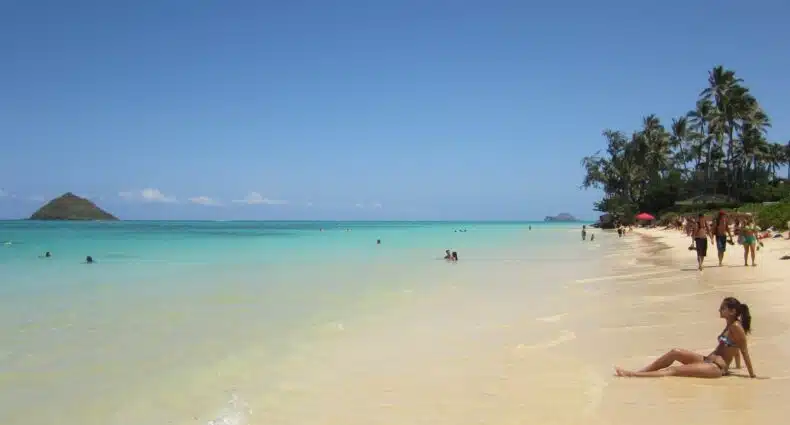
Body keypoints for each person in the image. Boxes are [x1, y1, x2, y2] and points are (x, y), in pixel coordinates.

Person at [615, 297, 755, 378]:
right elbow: (735, 348)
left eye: (722, 308)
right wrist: (737, 367)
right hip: (707, 360)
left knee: (673, 371)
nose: (719, 310)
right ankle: (642, 372)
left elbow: (743, 350)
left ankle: (633, 375)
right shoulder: (729, 324)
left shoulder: (736, 327)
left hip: (716, 368)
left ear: (732, 311)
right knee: (675, 352)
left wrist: (752, 376)